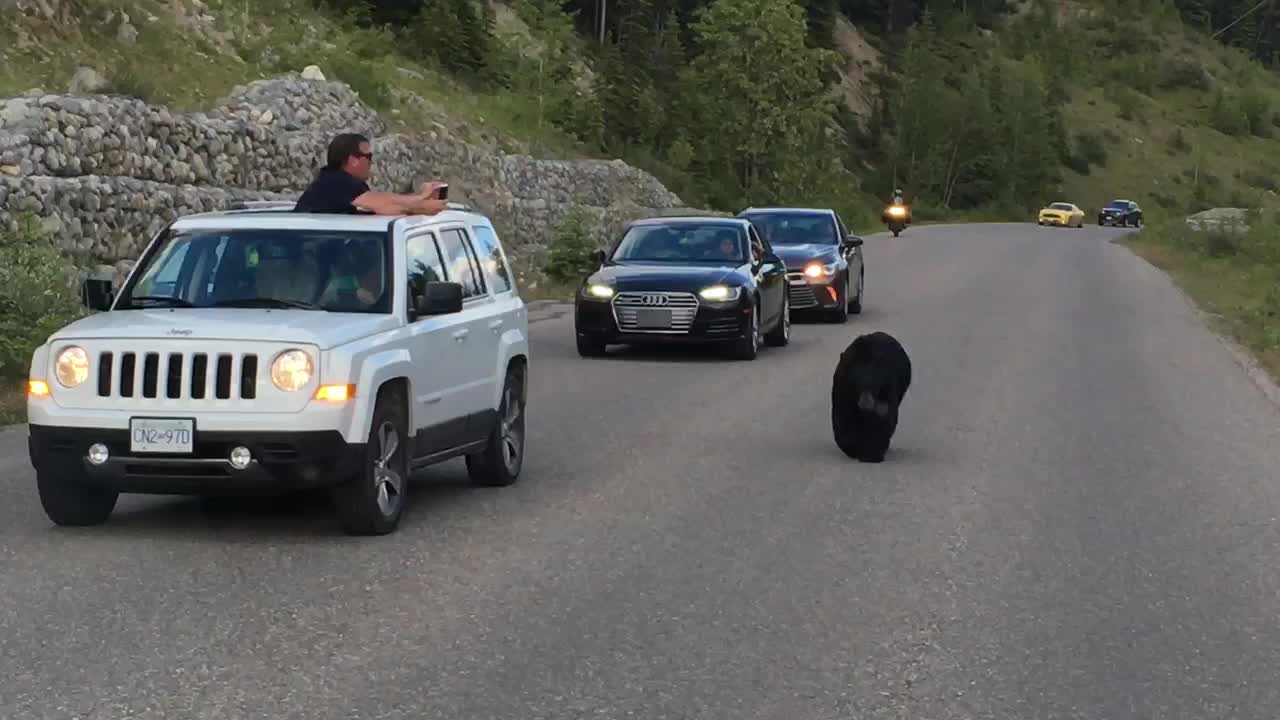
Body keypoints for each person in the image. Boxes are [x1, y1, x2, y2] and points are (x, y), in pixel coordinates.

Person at [295, 132, 449, 216]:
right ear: (353, 160)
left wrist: (421, 200)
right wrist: (422, 201)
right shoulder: (338, 182)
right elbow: (383, 203)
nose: (371, 162)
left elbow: (387, 207)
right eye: (368, 157)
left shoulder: (337, 181)